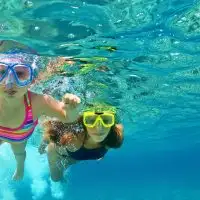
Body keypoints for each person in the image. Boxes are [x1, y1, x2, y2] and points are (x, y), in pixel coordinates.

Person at [0, 53, 81, 180]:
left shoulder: (38, 102)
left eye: (20, 74)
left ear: (31, 80)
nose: (9, 81)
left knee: (19, 153)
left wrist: (70, 109)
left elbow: (68, 118)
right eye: (2, 72)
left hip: (18, 137)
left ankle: (20, 168)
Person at [38, 103, 124, 182]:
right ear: (84, 123)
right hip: (58, 154)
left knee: (70, 162)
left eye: (106, 120)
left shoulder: (115, 136)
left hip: (75, 156)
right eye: (91, 121)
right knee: (56, 179)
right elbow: (50, 134)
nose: (99, 128)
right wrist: (41, 148)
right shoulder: (72, 137)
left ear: (112, 124)